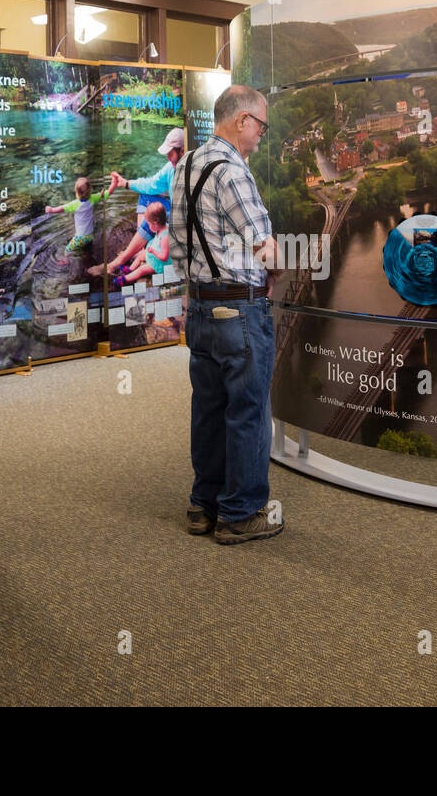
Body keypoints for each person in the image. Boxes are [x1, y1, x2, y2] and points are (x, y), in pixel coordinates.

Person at [168, 84, 283, 545]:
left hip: (198, 305)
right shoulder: (232, 171)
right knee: (250, 410)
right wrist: (273, 273)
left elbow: (177, 247)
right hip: (239, 309)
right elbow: (263, 243)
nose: (261, 135)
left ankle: (204, 505)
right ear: (242, 120)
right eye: (261, 125)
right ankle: (241, 513)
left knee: (209, 407)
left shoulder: (186, 167)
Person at [89, 127, 185, 277]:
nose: (168, 158)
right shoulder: (171, 168)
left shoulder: (192, 171)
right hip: (174, 211)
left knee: (153, 214)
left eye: (170, 154)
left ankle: (116, 263)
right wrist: (126, 183)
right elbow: (151, 184)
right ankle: (142, 248)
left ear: (182, 151)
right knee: (145, 196)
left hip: (182, 221)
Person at [45, 176, 109, 259]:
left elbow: (61, 208)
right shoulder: (93, 198)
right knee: (87, 248)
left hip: (80, 237)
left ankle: (65, 260)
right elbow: (103, 195)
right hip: (90, 234)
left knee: (67, 250)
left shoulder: (75, 204)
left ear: (77, 192)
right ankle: (87, 254)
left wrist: (52, 210)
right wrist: (107, 190)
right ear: (90, 190)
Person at [111, 201, 169, 287]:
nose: (148, 227)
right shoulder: (162, 227)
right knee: (141, 255)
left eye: (149, 224)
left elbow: (164, 257)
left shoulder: (165, 237)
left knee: (141, 270)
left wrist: (153, 251)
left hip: (159, 264)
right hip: (155, 255)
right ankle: (131, 268)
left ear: (155, 224)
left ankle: (125, 279)